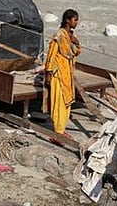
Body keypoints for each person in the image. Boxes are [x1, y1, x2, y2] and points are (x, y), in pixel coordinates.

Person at [44, 9, 82, 145]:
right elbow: (51, 55)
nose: (76, 22)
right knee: (58, 103)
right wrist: (48, 73)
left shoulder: (70, 35)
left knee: (67, 102)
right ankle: (57, 132)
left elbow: (76, 52)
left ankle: (61, 129)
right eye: (75, 20)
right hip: (58, 74)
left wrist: (75, 41)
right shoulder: (58, 36)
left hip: (68, 73)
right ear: (67, 20)